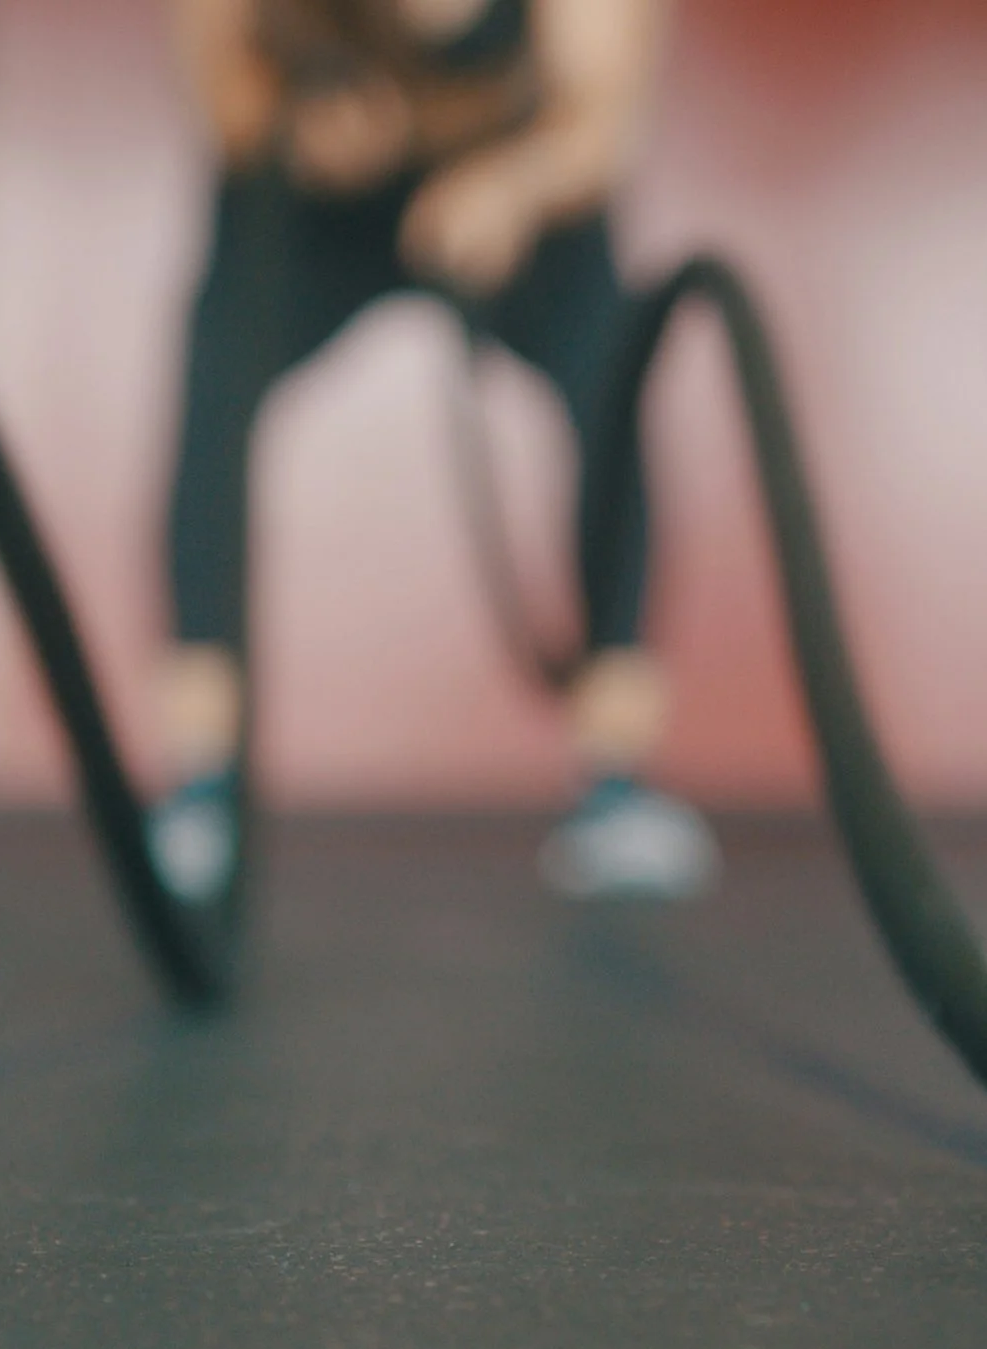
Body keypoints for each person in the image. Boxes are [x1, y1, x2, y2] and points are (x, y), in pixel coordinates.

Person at [152, 0, 715, 902]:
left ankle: (616, 785)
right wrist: (300, 129)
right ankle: (202, 779)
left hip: (521, 191)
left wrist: (512, 188)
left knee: (614, 387)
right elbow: (223, 87)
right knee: (214, 371)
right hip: (313, 200)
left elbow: (604, 126)